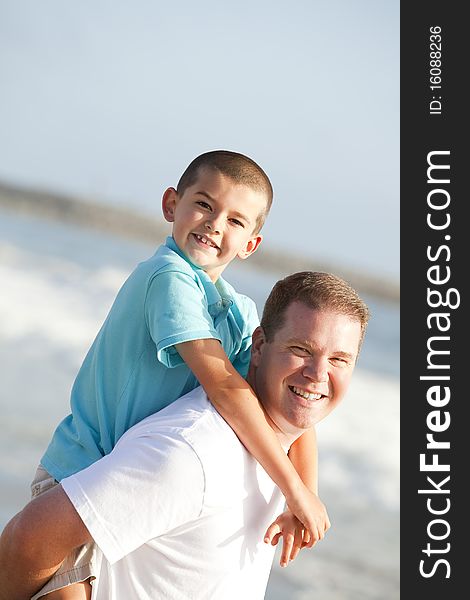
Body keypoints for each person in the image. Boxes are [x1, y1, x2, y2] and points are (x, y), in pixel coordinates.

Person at [4, 151, 327, 599]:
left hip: (130, 498)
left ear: (251, 243)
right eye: (205, 204)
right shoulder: (168, 277)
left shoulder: (239, 312)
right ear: (172, 205)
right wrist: (293, 490)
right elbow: (226, 388)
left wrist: (307, 494)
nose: (215, 224)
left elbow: (290, 411)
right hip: (80, 475)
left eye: (236, 221)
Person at [0, 271, 369, 600]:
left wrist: (302, 491)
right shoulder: (191, 453)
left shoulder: (281, 444)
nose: (318, 374)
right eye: (301, 350)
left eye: (339, 359)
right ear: (258, 346)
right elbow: (27, 539)